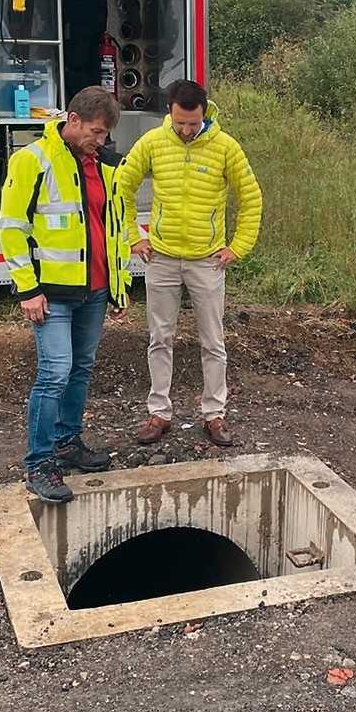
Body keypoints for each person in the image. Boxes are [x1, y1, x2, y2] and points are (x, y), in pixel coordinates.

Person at [0, 86, 131, 504]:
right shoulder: (33, 160)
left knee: (79, 370)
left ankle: (67, 442)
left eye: (105, 134)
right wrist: (28, 288)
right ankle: (39, 462)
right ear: (73, 120)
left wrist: (117, 286)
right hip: (51, 293)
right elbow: (12, 229)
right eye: (95, 132)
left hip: (94, 289)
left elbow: (112, 227)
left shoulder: (104, 165)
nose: (101, 140)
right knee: (54, 373)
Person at [119, 79, 263, 447]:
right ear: (170, 112)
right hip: (162, 257)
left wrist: (238, 246)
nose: (186, 130)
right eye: (180, 123)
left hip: (206, 261)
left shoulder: (225, 147)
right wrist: (133, 236)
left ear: (205, 113)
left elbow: (251, 198)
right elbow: (122, 186)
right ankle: (159, 413)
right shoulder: (152, 142)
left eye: (193, 123)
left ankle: (214, 414)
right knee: (159, 338)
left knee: (213, 341)